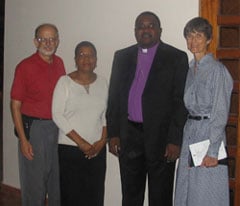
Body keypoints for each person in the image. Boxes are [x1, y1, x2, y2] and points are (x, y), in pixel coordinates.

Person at [107, 11, 189, 206]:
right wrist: (114, 133)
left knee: (160, 195)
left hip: (162, 140)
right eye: (141, 26)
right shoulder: (122, 56)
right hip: (129, 136)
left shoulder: (176, 57)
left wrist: (175, 140)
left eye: (150, 25)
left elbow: (180, 102)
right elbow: (114, 98)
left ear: (159, 30)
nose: (145, 29)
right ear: (135, 31)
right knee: (130, 194)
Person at [174, 17, 233, 206]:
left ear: (208, 39)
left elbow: (220, 112)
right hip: (190, 132)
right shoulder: (191, 69)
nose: (193, 42)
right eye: (189, 37)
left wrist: (213, 151)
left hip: (209, 135)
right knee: (186, 188)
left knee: (205, 192)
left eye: (198, 36)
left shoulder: (217, 70)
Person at [10, 23, 66, 206]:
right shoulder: (24, 67)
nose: (48, 43)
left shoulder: (59, 63)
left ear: (57, 41)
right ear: (36, 41)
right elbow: (15, 105)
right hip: (35, 130)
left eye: (52, 39)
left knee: (55, 182)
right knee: (35, 184)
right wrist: (24, 140)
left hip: (56, 127)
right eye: (43, 39)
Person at [52, 41, 108, 206]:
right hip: (70, 148)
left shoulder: (103, 82)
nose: (86, 59)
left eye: (90, 55)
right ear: (75, 59)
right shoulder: (64, 82)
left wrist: (102, 141)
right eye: (82, 55)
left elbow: (106, 114)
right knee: (72, 195)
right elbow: (57, 115)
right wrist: (81, 142)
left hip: (97, 149)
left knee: (95, 194)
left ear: (96, 60)